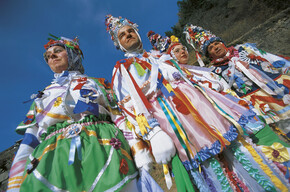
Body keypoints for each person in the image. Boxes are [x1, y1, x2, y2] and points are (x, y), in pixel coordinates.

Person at [105, 15, 290, 191]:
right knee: (205, 161)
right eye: (122, 35)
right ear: (118, 44)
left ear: (137, 33)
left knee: (234, 144)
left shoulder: (160, 56)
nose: (128, 35)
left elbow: (188, 75)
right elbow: (129, 105)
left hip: (202, 105)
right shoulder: (122, 69)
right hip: (173, 118)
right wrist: (153, 132)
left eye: (130, 31)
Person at [7, 35, 140, 192]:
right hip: (52, 160)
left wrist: (139, 151)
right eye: (48, 56)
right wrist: (14, 184)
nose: (52, 56)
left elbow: (119, 117)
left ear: (72, 54)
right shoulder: (42, 97)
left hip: (103, 147)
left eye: (57, 51)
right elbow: (30, 138)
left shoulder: (96, 83)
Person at [184, 25, 290, 130]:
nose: (216, 47)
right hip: (260, 101)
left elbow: (269, 58)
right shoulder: (215, 72)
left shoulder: (244, 49)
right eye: (211, 48)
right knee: (284, 127)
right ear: (209, 55)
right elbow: (228, 91)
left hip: (280, 86)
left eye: (217, 43)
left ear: (223, 44)